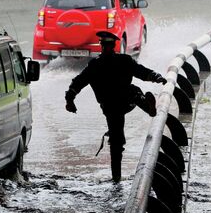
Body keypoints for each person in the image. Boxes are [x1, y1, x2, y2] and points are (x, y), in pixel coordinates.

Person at [64, 31, 167, 183]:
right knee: (134, 92)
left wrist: (70, 99)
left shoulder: (95, 65)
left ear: (102, 46)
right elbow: (141, 72)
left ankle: (116, 178)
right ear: (114, 46)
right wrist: (156, 76)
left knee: (116, 140)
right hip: (123, 103)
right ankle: (147, 107)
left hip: (110, 107)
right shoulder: (123, 60)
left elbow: (77, 83)